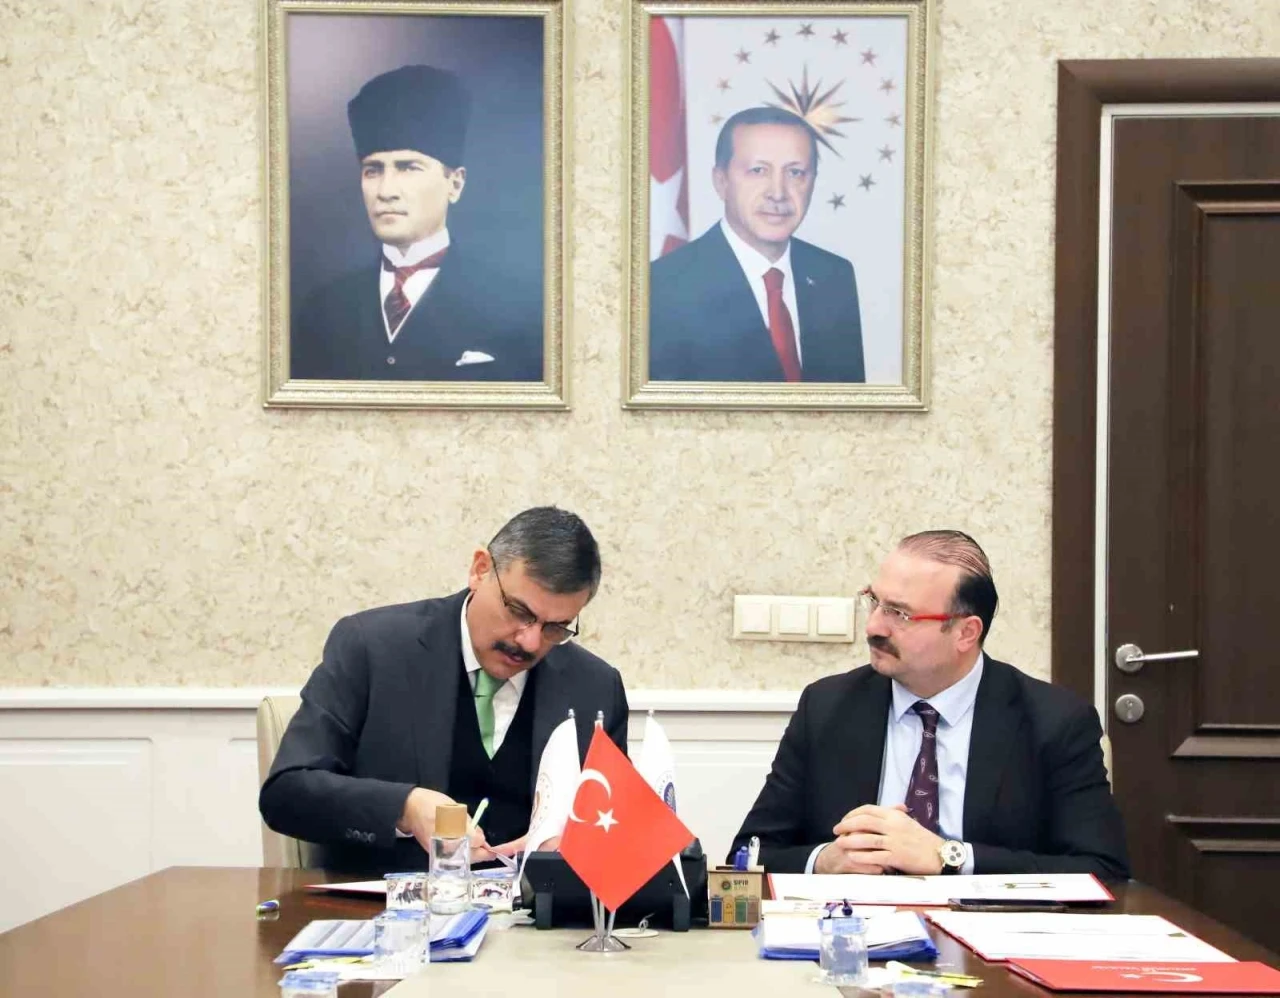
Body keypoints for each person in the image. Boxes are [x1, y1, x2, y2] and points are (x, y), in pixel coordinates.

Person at [729, 530, 1130, 878]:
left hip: (987, 931)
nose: (874, 626)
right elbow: (749, 855)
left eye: (900, 614)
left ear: (965, 633)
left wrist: (950, 857)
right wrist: (824, 861)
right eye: (875, 602)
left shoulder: (1054, 721)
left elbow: (1102, 868)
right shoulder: (827, 708)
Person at [259, 507, 628, 874]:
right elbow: (287, 792)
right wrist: (405, 807)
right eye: (518, 611)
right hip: (387, 903)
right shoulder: (373, 649)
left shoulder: (595, 687)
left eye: (556, 628)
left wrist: (572, 845)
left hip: (534, 908)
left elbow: (617, 836)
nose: (529, 642)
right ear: (480, 569)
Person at [290, 64, 542, 382]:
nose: (386, 191)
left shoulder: (514, 306)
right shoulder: (323, 312)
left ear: (455, 184)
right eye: (373, 170)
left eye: (409, 167)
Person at [648, 106, 864, 383]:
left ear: (812, 183)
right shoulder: (662, 287)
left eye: (795, 172)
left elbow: (848, 404)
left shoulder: (834, 276)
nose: (778, 193)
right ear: (721, 182)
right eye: (758, 170)